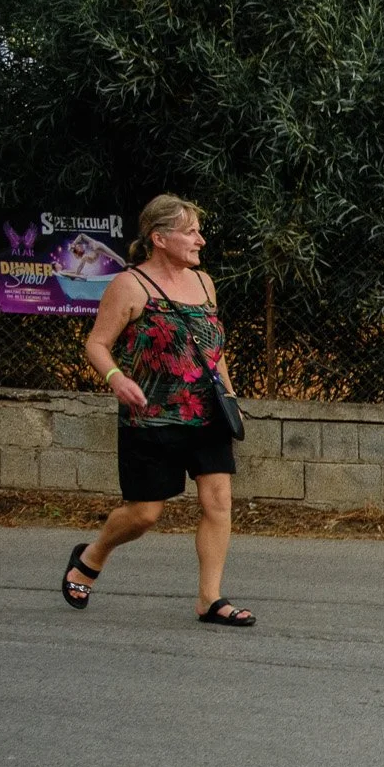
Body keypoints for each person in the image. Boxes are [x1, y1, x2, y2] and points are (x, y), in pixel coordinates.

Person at [61, 194, 256, 627]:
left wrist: (230, 396)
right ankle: (92, 556)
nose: (200, 240)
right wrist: (117, 379)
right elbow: (96, 344)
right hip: (150, 417)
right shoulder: (130, 286)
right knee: (145, 514)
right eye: (190, 231)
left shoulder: (205, 284)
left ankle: (210, 599)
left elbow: (213, 346)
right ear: (159, 237)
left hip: (206, 416)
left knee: (218, 500)